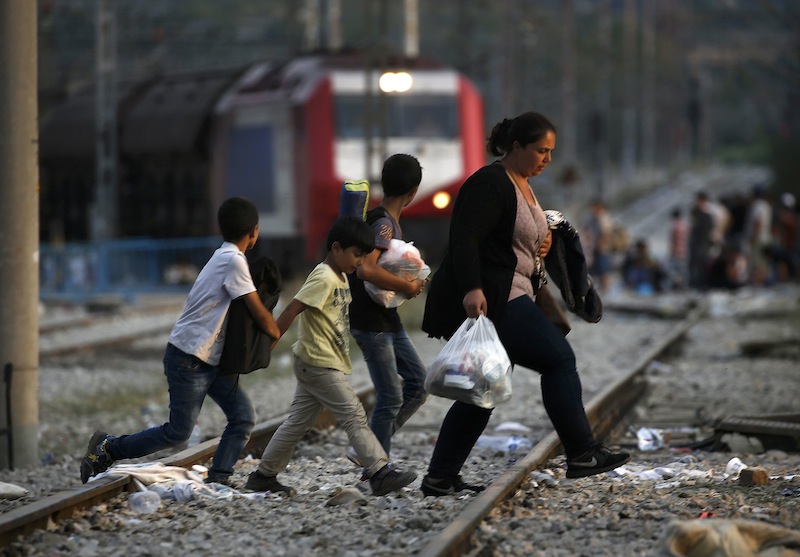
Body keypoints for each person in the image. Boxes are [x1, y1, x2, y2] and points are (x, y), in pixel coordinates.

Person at [420, 112, 629, 496]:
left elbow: (515, 237)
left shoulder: (523, 184)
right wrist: (471, 288)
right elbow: (465, 238)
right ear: (516, 147)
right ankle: (582, 452)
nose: (547, 159)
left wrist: (543, 244)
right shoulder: (489, 183)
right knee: (558, 360)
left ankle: (440, 476)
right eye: (540, 150)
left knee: (482, 390)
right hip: (495, 298)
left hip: (513, 292)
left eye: (551, 151)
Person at [80, 197, 282, 486]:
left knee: (242, 417)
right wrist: (275, 332)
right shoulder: (233, 261)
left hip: (208, 358)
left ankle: (219, 478)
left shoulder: (223, 256)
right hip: (189, 358)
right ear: (254, 231)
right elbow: (257, 312)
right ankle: (109, 447)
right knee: (178, 432)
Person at [244, 216, 417, 497]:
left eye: (363, 256)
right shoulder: (323, 276)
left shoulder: (341, 277)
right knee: (354, 415)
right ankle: (378, 471)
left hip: (322, 361)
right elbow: (292, 309)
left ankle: (263, 475)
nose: (360, 261)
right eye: (356, 255)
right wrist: (268, 344)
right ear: (336, 248)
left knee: (298, 422)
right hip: (317, 362)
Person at [348, 154, 428, 461]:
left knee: (418, 385)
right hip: (370, 321)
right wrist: (407, 286)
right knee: (390, 397)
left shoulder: (385, 220)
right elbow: (366, 269)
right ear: (413, 192)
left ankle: (368, 449)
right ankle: (376, 467)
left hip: (385, 318)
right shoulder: (383, 224)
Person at [582, 199, 615, 293]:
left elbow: (605, 233)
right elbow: (586, 230)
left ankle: (605, 289)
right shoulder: (591, 218)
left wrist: (598, 243)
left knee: (603, 270)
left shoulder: (604, 218)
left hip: (603, 248)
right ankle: (596, 289)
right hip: (592, 248)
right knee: (592, 270)